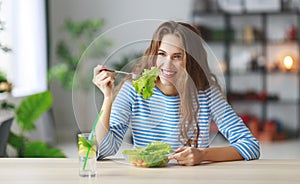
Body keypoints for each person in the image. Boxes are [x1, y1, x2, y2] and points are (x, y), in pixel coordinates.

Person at [92, 21, 260, 166]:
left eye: (177, 56)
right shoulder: (134, 90)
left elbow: (250, 145)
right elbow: (103, 150)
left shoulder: (206, 93)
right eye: (162, 54)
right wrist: (108, 98)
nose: (167, 64)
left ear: (191, 61)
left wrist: (202, 155)